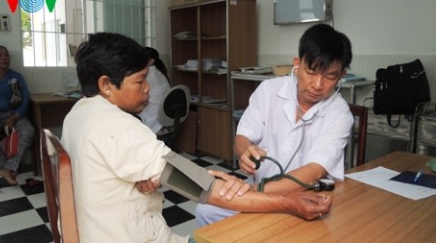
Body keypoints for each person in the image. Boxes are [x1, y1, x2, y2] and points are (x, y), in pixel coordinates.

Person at [61, 32, 332, 243]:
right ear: (106, 84)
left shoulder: (78, 114)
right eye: (140, 81)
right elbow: (202, 188)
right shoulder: (119, 128)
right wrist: (288, 202)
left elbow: (170, 172)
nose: (147, 89)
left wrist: (191, 175)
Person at [196, 23, 354, 227]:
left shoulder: (340, 113)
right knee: (205, 210)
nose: (317, 85)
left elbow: (315, 170)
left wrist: (252, 192)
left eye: (329, 76)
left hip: (303, 197)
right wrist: (245, 153)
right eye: (311, 72)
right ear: (297, 64)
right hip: (260, 190)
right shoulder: (269, 90)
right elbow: (242, 138)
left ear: (341, 75)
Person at [0, 45, 35, 188]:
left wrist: (16, 116)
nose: (5, 58)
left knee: (28, 130)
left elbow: (25, 98)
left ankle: (8, 168)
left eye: (6, 55)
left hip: (13, 114)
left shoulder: (16, 77)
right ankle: (5, 169)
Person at [138, 47, 171, 136]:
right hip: (163, 115)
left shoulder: (149, 74)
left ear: (151, 61)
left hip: (154, 117)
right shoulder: (157, 72)